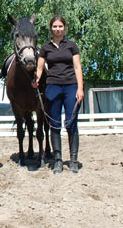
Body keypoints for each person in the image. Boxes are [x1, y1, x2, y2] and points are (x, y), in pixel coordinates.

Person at [32, 15, 84, 174]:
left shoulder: (72, 46)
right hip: (53, 87)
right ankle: (58, 160)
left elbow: (77, 68)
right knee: (54, 124)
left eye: (60, 26)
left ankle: (73, 160)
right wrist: (36, 79)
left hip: (70, 87)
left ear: (64, 28)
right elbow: (40, 68)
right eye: (55, 26)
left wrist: (80, 88)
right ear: (51, 28)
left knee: (71, 122)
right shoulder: (45, 48)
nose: (57, 29)